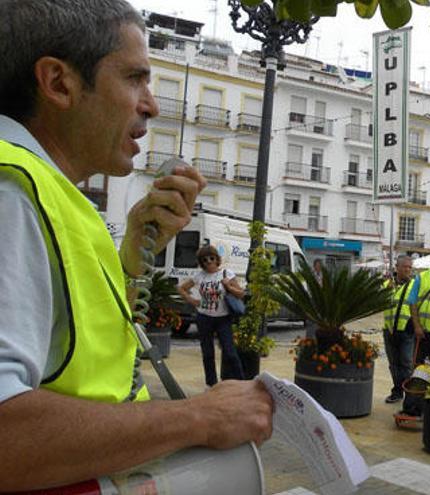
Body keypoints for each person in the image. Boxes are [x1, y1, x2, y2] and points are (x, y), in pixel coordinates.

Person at [0, 1, 272, 490]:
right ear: (58, 83)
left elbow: (70, 350)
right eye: (134, 78)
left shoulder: (50, 192)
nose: (151, 104)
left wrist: (133, 256)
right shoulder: (10, 193)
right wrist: (200, 419)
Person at [177, 246, 247, 387]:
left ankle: (242, 382)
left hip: (223, 318)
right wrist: (192, 300)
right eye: (205, 260)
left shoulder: (226, 273)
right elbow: (181, 288)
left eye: (212, 258)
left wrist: (229, 287)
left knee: (230, 351)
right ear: (201, 262)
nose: (209, 262)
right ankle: (212, 384)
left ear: (217, 259)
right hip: (204, 318)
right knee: (207, 353)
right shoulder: (199, 276)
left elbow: (241, 294)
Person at [382, 255, 415, 404]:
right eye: (405, 267)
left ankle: (409, 393)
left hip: (406, 331)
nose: (408, 270)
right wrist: (385, 291)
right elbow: (379, 301)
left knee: (407, 363)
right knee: (393, 363)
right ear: (397, 268)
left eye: (410, 267)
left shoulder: (415, 285)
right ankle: (397, 391)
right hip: (389, 330)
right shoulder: (387, 284)